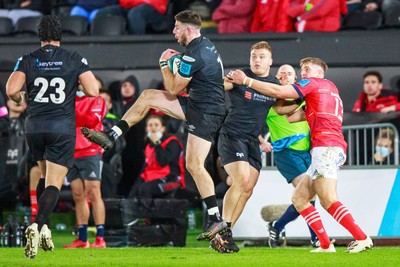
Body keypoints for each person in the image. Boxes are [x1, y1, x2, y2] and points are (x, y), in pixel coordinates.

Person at [81, 10, 227, 241]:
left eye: (177, 27)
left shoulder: (194, 53)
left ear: (188, 30)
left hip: (206, 111)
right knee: (148, 96)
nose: (173, 31)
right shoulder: (203, 45)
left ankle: (216, 219)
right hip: (201, 105)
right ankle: (112, 134)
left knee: (194, 165)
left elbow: (173, 89)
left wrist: (164, 64)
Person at [227, 57, 373, 253]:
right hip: (327, 147)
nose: (303, 73)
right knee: (300, 198)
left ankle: (362, 238)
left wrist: (246, 81)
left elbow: (280, 95)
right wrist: (292, 97)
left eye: (306, 69)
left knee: (328, 199)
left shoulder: (313, 83)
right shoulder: (330, 90)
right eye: (302, 70)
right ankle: (324, 244)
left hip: (325, 147)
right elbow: (289, 115)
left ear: (319, 73)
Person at [6, 15, 99, 259]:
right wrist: (74, 87)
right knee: (54, 183)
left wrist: (19, 100)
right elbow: (93, 90)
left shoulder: (27, 59)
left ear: (39, 36)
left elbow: (12, 90)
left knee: (45, 176)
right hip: (61, 127)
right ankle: (37, 226)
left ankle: (43, 227)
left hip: (34, 127)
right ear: (60, 35)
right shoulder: (73, 58)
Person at [210, 41, 280, 253]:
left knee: (248, 189)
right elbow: (220, 85)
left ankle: (226, 231)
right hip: (232, 135)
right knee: (240, 180)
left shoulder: (272, 83)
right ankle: (220, 233)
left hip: (252, 140)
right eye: (254, 56)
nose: (257, 60)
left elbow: (285, 102)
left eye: (261, 56)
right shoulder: (240, 76)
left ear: (270, 61)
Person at [262, 64, 318, 248]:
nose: (285, 76)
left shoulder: (304, 101)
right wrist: (261, 140)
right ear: (277, 79)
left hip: (306, 153)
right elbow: (249, 123)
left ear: (295, 80)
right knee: (307, 194)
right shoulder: (271, 102)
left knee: (309, 197)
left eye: (289, 74)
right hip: (287, 154)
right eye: (281, 74)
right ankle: (316, 239)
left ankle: (277, 227)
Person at [63, 88, 107, 249]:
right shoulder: (67, 98)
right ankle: (82, 239)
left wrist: (69, 110)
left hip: (91, 151)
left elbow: (90, 121)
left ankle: (100, 239)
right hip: (70, 151)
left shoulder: (97, 99)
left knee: (94, 193)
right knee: (78, 195)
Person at [129, 115, 185, 198]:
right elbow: (145, 169)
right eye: (150, 125)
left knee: (145, 189)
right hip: (152, 177)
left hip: (171, 179)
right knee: (134, 193)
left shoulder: (172, 142)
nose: (153, 128)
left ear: (163, 128)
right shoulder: (148, 146)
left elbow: (162, 161)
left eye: (156, 125)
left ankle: (148, 211)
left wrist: (157, 143)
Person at [95, 0, 169, 34]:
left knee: (135, 14)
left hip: (152, 7)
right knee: (103, 13)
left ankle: (138, 50)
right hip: (130, 5)